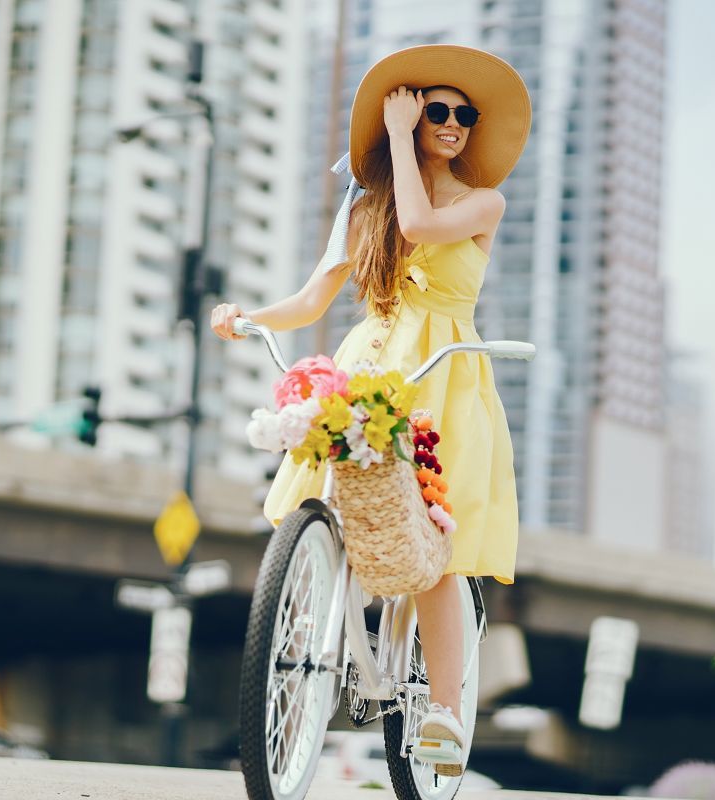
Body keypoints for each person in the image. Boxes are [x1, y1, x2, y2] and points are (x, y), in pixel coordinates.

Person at [211, 44, 530, 777]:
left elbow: (418, 227)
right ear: (416, 116)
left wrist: (395, 137)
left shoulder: (482, 201)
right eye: (436, 111)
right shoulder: (364, 210)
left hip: (442, 374)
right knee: (329, 499)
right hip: (369, 366)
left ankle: (444, 713)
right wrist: (245, 316)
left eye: (462, 114)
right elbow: (311, 300)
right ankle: (323, 634)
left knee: (436, 551)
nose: (451, 124)